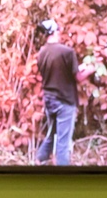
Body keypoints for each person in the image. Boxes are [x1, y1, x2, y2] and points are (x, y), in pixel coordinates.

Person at [35, 19, 84, 165]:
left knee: (52, 133)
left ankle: (40, 159)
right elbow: (78, 77)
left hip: (49, 99)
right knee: (63, 143)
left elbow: (57, 72)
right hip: (65, 101)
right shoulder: (67, 52)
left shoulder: (42, 52)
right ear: (56, 31)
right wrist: (92, 69)